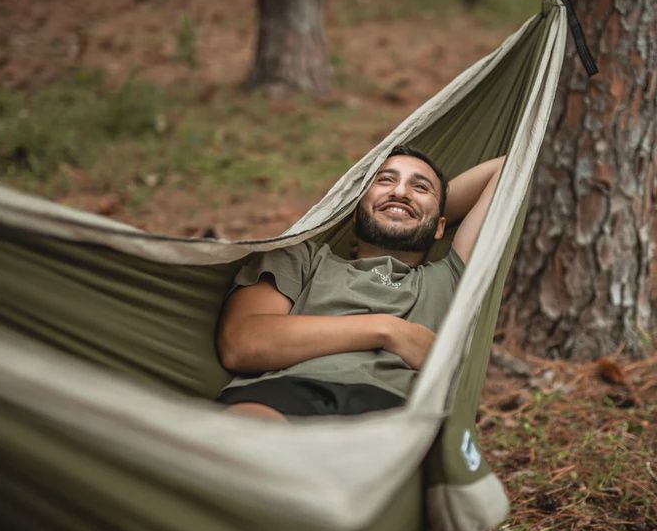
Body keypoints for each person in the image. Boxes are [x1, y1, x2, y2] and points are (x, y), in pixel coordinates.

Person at [215, 146, 504, 419]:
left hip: (393, 412)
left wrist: (413, 209)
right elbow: (242, 343)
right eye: (385, 180)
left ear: (441, 226)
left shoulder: (448, 277)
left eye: (420, 186)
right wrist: (390, 331)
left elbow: (505, 170)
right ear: (354, 212)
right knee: (249, 425)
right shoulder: (303, 258)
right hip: (284, 391)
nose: (400, 191)